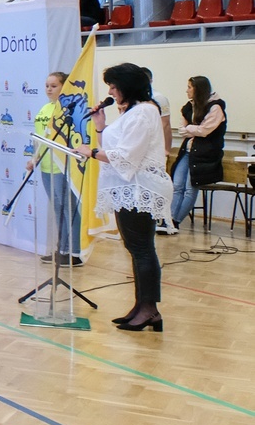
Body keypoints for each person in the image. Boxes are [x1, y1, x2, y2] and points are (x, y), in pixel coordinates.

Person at [75, 63, 171, 332]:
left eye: (114, 86)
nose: (110, 91)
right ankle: (141, 306)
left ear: (128, 86)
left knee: (142, 249)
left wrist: (91, 152)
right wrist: (100, 126)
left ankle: (150, 310)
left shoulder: (144, 112)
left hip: (140, 189)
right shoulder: (131, 112)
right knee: (135, 248)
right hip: (126, 188)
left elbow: (126, 157)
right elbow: (115, 148)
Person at [29, 71, 80, 265]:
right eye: (47, 86)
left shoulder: (68, 110)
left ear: (64, 86)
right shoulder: (45, 108)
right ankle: (62, 249)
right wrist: (34, 158)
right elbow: (40, 137)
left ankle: (75, 252)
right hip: (46, 166)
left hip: (62, 166)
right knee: (58, 209)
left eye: (54, 86)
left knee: (69, 209)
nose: (49, 89)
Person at [171, 75, 227, 229]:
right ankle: (169, 220)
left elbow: (204, 131)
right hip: (188, 150)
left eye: (189, 87)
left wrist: (190, 128)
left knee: (190, 188)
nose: (187, 91)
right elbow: (181, 130)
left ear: (198, 89)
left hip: (204, 155)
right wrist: (193, 130)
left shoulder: (215, 107)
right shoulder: (189, 106)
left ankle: (175, 221)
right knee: (177, 185)